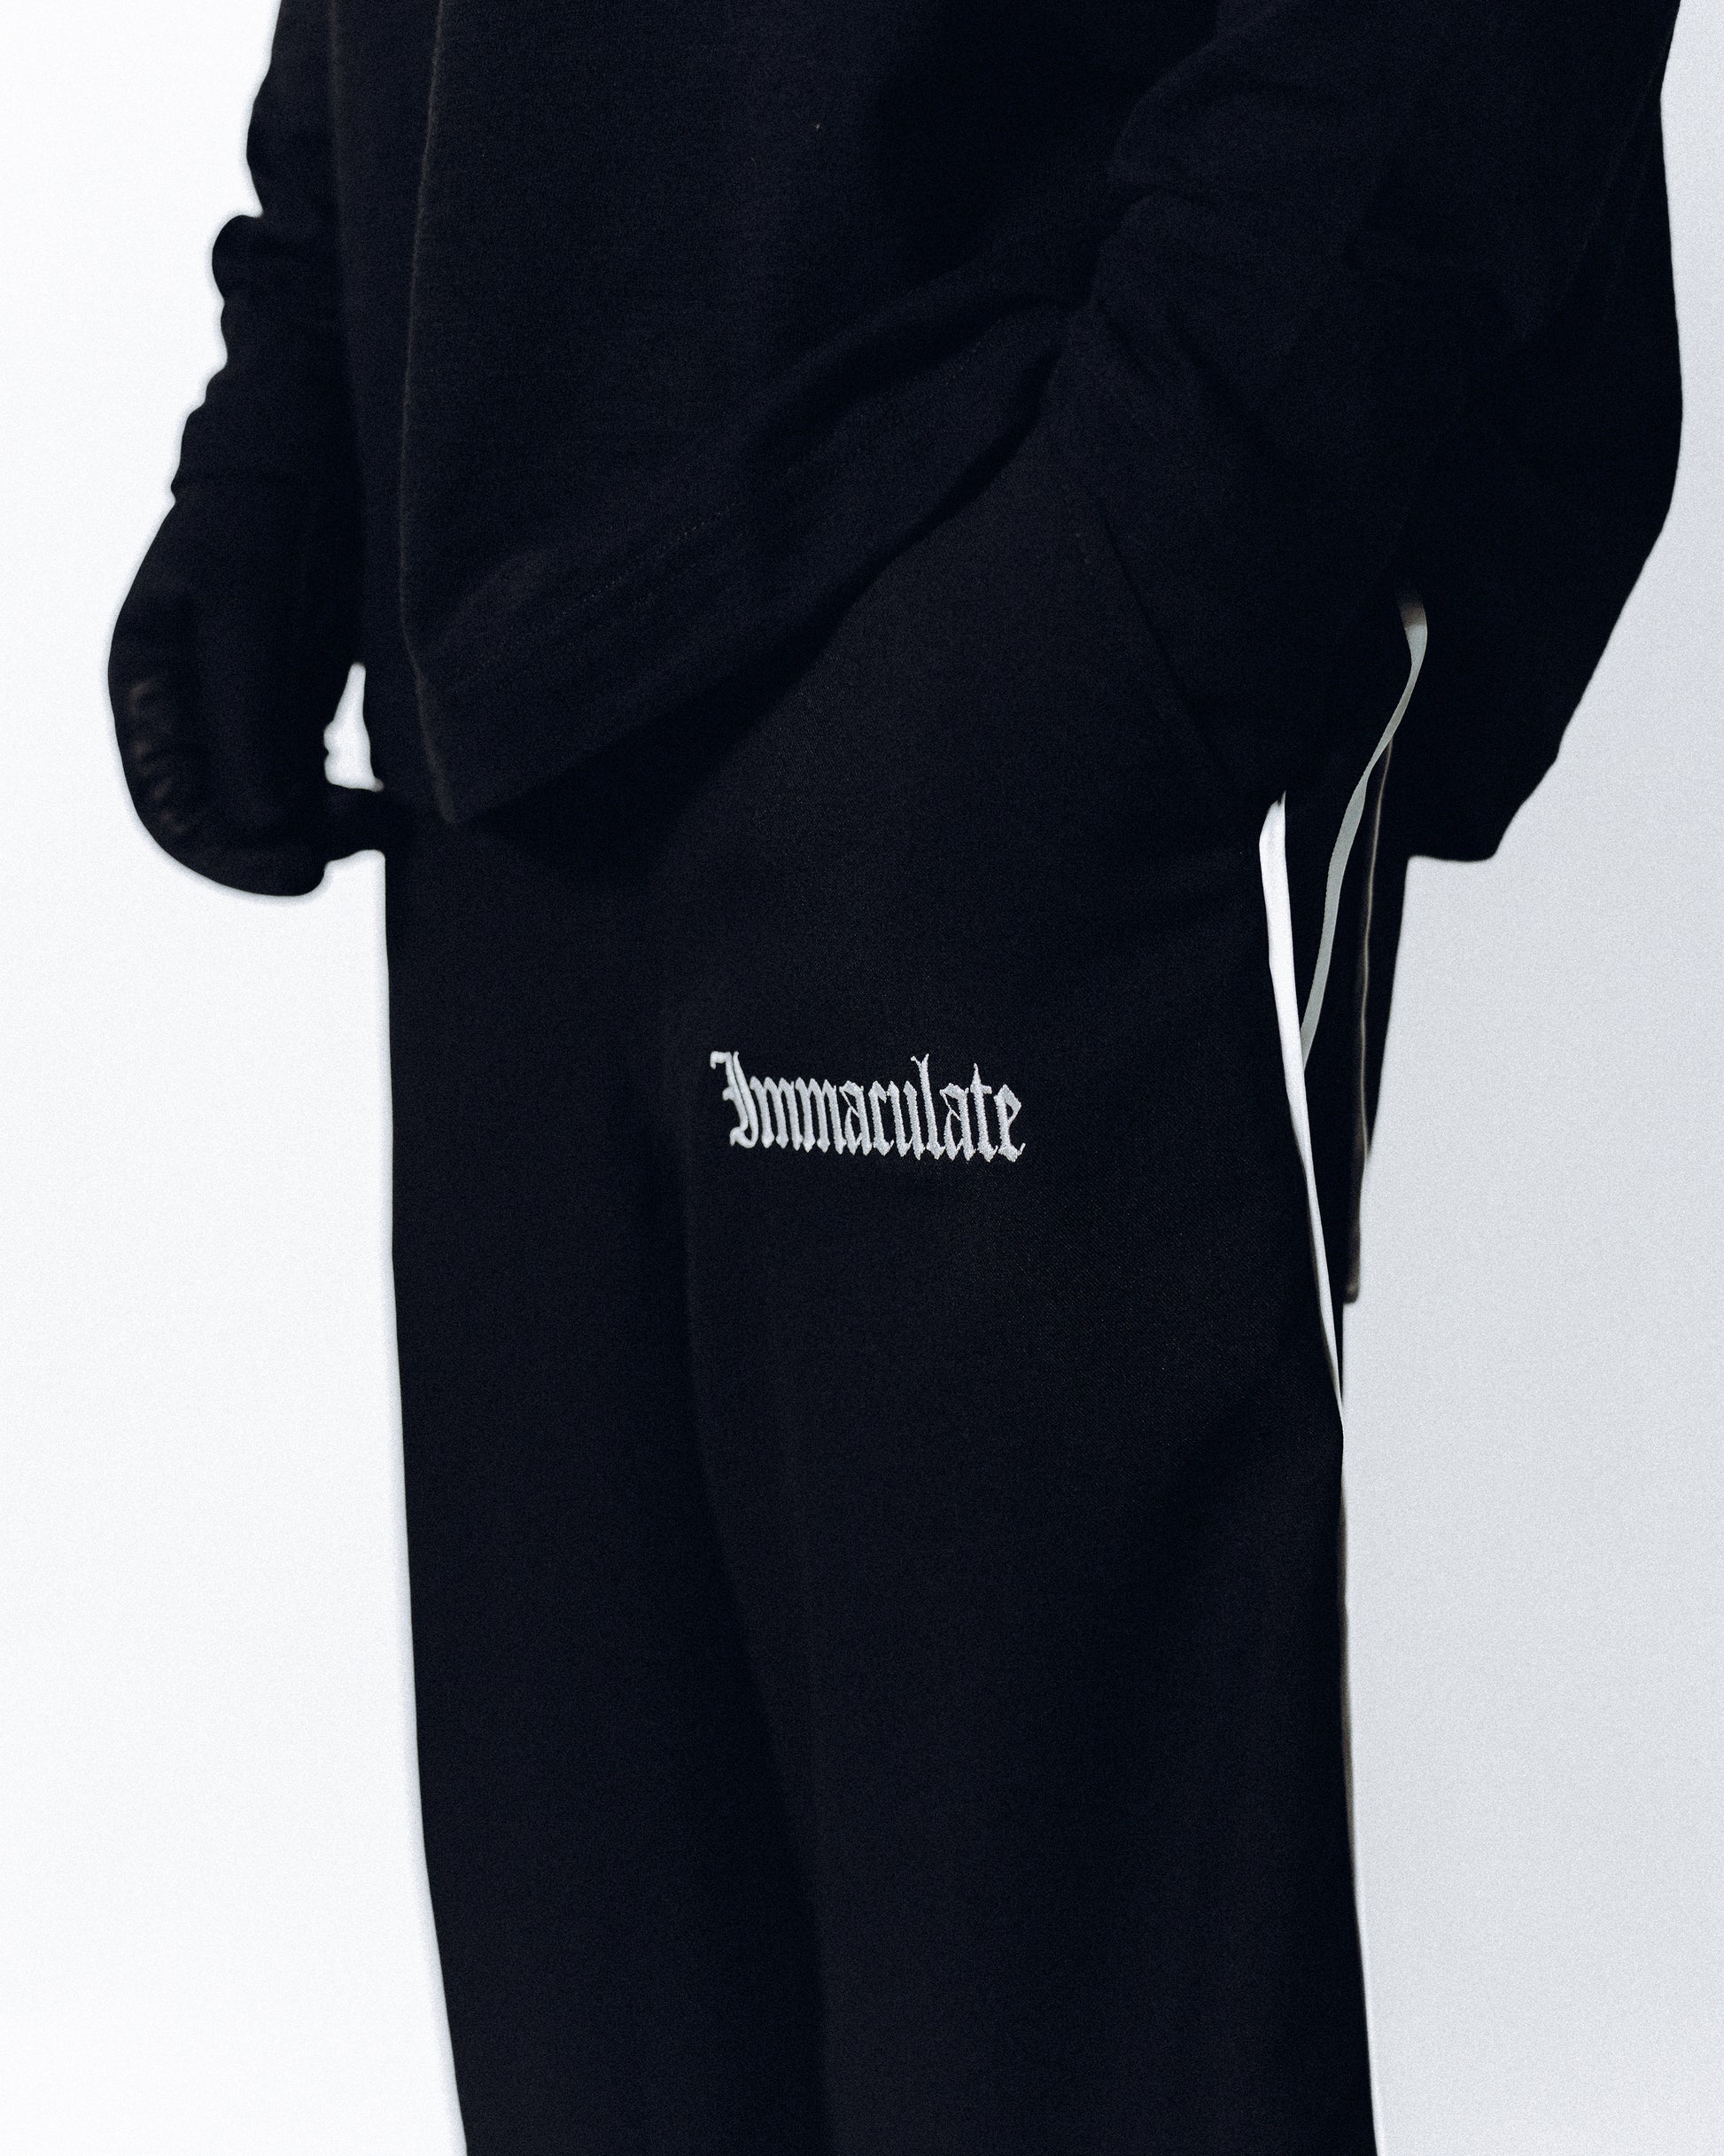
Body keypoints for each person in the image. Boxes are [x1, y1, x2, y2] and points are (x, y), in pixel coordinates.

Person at [107, 0, 1683, 2146]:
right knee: (608, 2072)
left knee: (1061, 2067)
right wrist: (296, 406)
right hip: (499, 695)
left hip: (992, 648)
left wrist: (1161, 534)